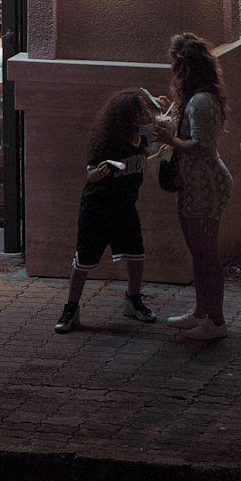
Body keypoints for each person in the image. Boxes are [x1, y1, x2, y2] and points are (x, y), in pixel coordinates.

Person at [54, 89, 159, 333]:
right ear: (126, 117)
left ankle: (133, 300)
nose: (146, 116)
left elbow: (160, 128)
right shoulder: (108, 141)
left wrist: (158, 108)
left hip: (125, 206)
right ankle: (71, 307)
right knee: (84, 258)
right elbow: (89, 173)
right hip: (98, 208)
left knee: (135, 254)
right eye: (140, 112)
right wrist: (98, 174)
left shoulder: (141, 138)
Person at [152, 31, 232, 341]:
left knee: (206, 253)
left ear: (184, 66)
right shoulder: (196, 98)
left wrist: (171, 140)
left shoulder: (200, 100)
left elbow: (202, 146)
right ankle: (201, 312)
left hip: (205, 184)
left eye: (174, 62)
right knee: (197, 252)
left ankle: (216, 320)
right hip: (195, 182)